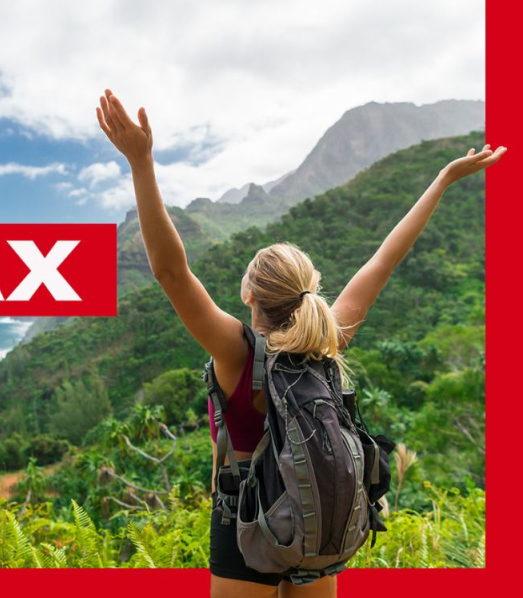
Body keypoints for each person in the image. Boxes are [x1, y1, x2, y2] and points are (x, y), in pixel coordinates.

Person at [95, 88, 504, 598]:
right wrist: (442, 180)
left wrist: (141, 162)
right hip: (318, 525)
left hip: (245, 522)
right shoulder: (328, 339)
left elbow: (170, 272)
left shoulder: (237, 352)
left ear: (248, 293)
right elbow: (384, 259)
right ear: (308, 291)